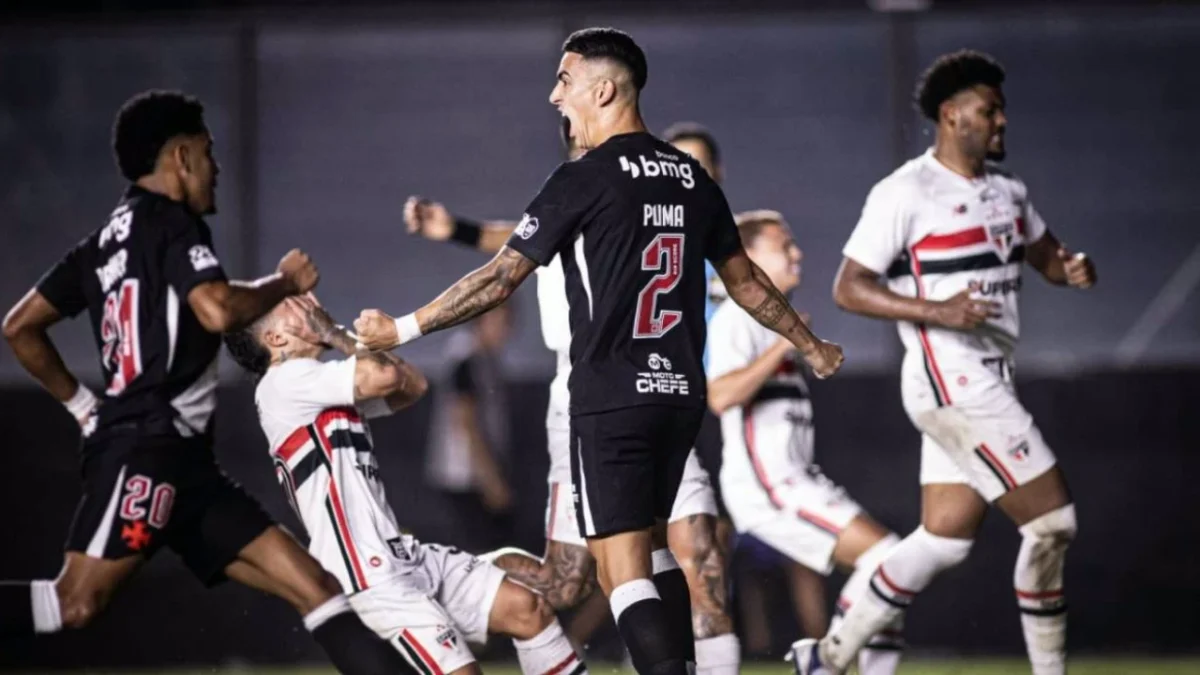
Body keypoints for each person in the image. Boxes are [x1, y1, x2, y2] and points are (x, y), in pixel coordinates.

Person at [355, 27, 843, 675]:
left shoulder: (582, 178)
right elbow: (746, 280)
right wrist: (810, 344)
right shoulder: (691, 178)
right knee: (662, 553)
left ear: (605, 90)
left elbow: (500, 278)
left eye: (565, 80)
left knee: (621, 570)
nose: (554, 95)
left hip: (610, 399)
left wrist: (401, 329)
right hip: (679, 398)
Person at [0, 90, 419, 675]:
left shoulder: (101, 245)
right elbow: (218, 309)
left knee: (318, 589)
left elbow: (20, 328)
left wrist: (83, 408)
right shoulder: (172, 222)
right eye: (207, 151)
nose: (215, 167)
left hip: (185, 464)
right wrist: (284, 281)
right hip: (145, 450)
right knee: (75, 603)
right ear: (181, 157)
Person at [793, 50, 1096, 675]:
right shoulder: (906, 191)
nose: (1001, 120)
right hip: (950, 377)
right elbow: (849, 287)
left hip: (988, 376)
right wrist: (939, 310)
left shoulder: (1009, 192)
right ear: (952, 115)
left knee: (944, 540)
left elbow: (1047, 257)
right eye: (990, 110)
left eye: (1002, 110)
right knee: (1052, 523)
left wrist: (1070, 268)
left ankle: (826, 658)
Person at [405, 116, 739, 675]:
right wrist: (453, 235)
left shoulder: (652, 205)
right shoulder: (575, 198)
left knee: (700, 551)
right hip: (584, 401)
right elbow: (512, 244)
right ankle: (416, 576)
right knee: (563, 581)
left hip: (650, 392)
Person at [224, 294, 587, 675]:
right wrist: (333, 332)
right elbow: (385, 377)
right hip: (367, 573)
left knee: (526, 608)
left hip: (399, 556)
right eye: (288, 306)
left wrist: (342, 337)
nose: (306, 303)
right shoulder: (284, 380)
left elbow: (413, 385)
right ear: (276, 339)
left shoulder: (315, 383)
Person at [707, 210, 905, 674]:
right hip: (767, 486)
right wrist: (782, 347)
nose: (797, 254)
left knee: (892, 571)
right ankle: (824, 660)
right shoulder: (738, 317)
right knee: (887, 562)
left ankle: (826, 661)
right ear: (750, 256)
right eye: (784, 246)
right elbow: (720, 396)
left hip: (796, 479)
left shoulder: (772, 322)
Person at [664, 121, 833, 650]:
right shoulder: (648, 238)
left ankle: (824, 649)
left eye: (700, 166)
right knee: (676, 542)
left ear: (717, 173)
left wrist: (796, 342)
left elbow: (767, 306)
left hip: (735, 408)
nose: (690, 175)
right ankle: (662, 644)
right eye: (680, 164)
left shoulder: (734, 245)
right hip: (671, 406)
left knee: (787, 535)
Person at [425, 303, 516, 553]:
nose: (506, 331)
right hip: (466, 479)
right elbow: (466, 422)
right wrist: (491, 480)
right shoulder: (466, 359)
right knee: (479, 554)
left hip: (477, 476)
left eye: (509, 323)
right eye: (500, 322)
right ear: (480, 321)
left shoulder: (484, 360)